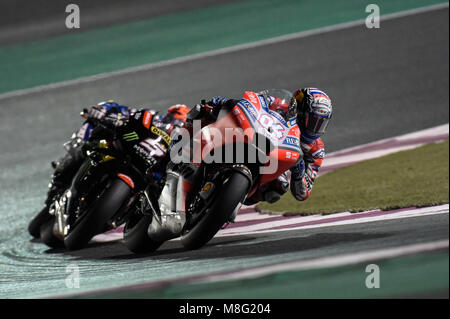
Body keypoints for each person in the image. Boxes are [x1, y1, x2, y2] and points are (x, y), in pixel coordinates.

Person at [28, 100, 189, 238]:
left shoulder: (180, 147)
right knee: (85, 147)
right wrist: (104, 110)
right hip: (126, 150)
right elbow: (121, 110)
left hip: (147, 170)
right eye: (176, 119)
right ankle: (61, 177)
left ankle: (127, 214)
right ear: (169, 114)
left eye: (182, 124)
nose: (177, 125)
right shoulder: (154, 118)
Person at [187, 88, 332, 205]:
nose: (315, 128)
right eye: (313, 121)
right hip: (257, 139)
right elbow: (254, 102)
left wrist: (298, 170)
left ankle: (233, 200)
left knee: (280, 185)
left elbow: (303, 193)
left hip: (274, 165)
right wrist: (228, 102)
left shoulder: (316, 150)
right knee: (208, 111)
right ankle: (185, 149)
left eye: (321, 124)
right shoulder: (279, 104)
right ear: (301, 112)